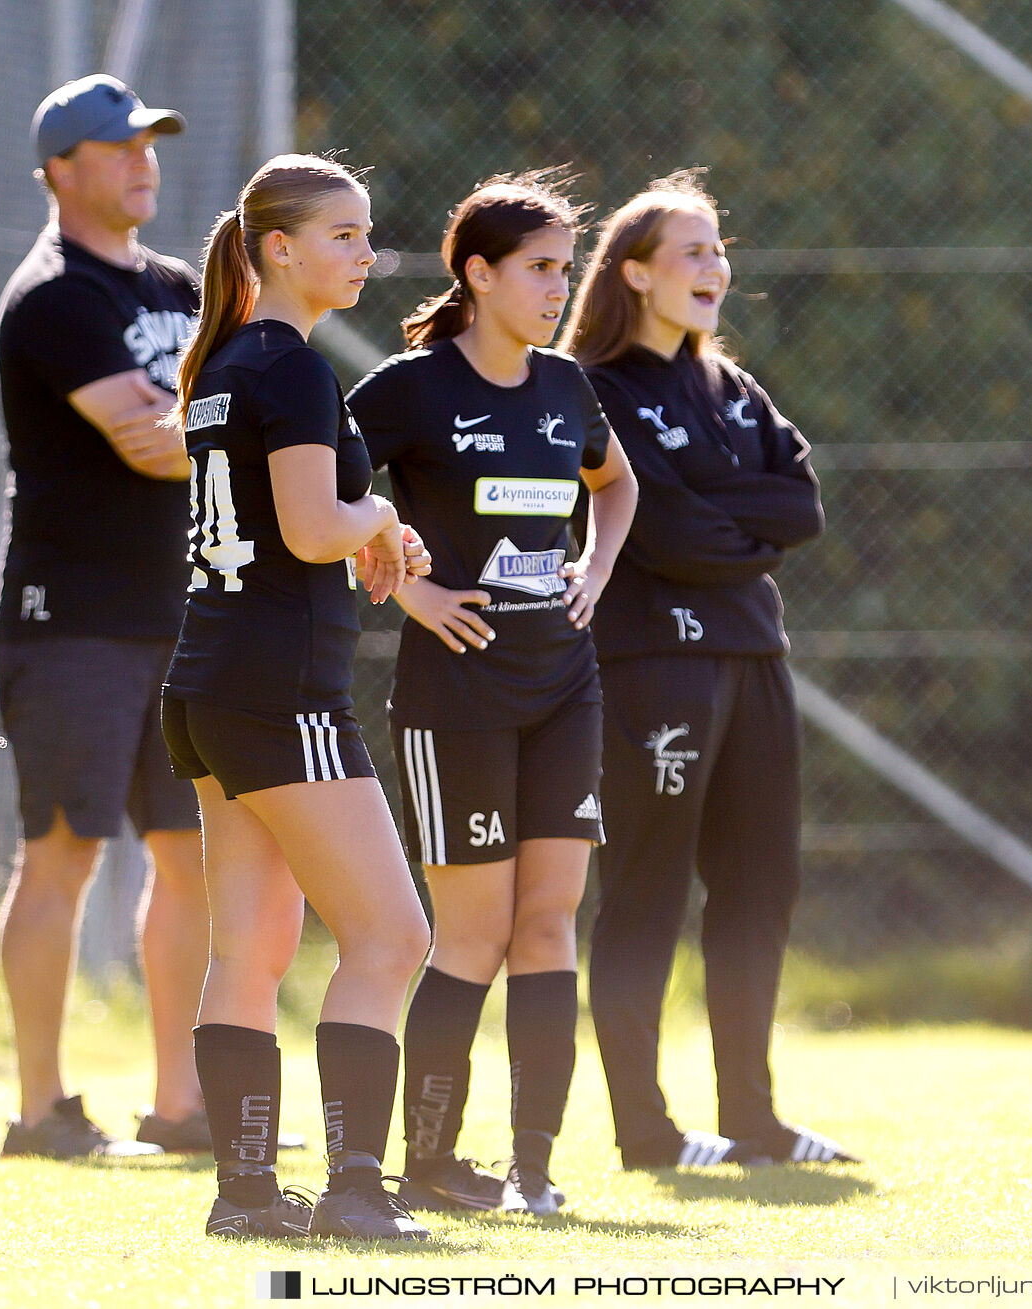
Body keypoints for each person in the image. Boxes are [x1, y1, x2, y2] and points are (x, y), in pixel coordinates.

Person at [346, 171, 638, 1217]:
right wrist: (408, 588)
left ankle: (534, 1169)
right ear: (478, 273)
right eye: (542, 268)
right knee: (471, 933)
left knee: (549, 922)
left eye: (566, 267)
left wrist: (594, 572)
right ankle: (426, 1159)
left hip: (564, 684)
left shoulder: (564, 386)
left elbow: (616, 483)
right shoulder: (408, 387)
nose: (560, 287)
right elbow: (324, 497)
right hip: (456, 696)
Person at [163, 153, 434, 1239]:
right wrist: (374, 522)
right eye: (343, 235)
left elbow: (300, 528)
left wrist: (368, 526)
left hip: (215, 682)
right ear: (278, 248)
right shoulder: (289, 365)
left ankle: (245, 1195)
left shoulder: (229, 362)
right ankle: (357, 1191)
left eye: (366, 235)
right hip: (282, 695)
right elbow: (314, 528)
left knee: (251, 947)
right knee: (389, 936)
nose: (366, 254)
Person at [563, 171, 850, 1170]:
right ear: (634, 273)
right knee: (643, 890)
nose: (713, 267)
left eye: (719, 249)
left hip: (753, 656)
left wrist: (726, 520)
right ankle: (644, 1130)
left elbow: (801, 506)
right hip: (656, 665)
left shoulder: (732, 388)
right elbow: (665, 529)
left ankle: (751, 1119)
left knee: (760, 885)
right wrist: (739, 522)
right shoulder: (597, 388)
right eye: (692, 250)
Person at [0, 73, 208, 1159]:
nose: (143, 161)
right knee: (64, 854)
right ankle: (40, 1112)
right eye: (119, 146)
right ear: (60, 171)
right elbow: (150, 438)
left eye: (149, 142)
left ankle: (181, 1107)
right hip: (70, 619)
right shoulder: (54, 296)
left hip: (181, 614)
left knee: (192, 854)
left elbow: (196, 423)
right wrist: (247, 430)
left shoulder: (175, 284)